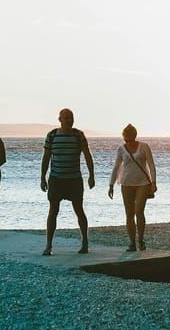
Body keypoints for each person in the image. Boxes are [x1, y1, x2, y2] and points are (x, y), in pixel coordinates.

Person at [40, 107, 95, 256]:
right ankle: (48, 245)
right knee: (53, 211)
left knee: (79, 210)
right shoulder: (52, 135)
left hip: (74, 180)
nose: (69, 120)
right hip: (56, 179)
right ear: (60, 119)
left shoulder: (78, 135)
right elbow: (46, 158)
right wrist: (42, 177)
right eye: (66, 118)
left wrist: (91, 175)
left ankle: (85, 242)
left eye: (71, 117)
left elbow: (87, 155)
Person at [107, 123, 157, 252]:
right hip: (126, 183)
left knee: (139, 211)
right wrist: (111, 184)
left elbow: (151, 165)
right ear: (124, 136)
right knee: (129, 214)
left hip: (143, 183)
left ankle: (141, 240)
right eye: (126, 136)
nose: (128, 138)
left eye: (130, 135)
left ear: (135, 135)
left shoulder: (144, 147)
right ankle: (132, 243)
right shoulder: (121, 149)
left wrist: (154, 182)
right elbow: (116, 167)